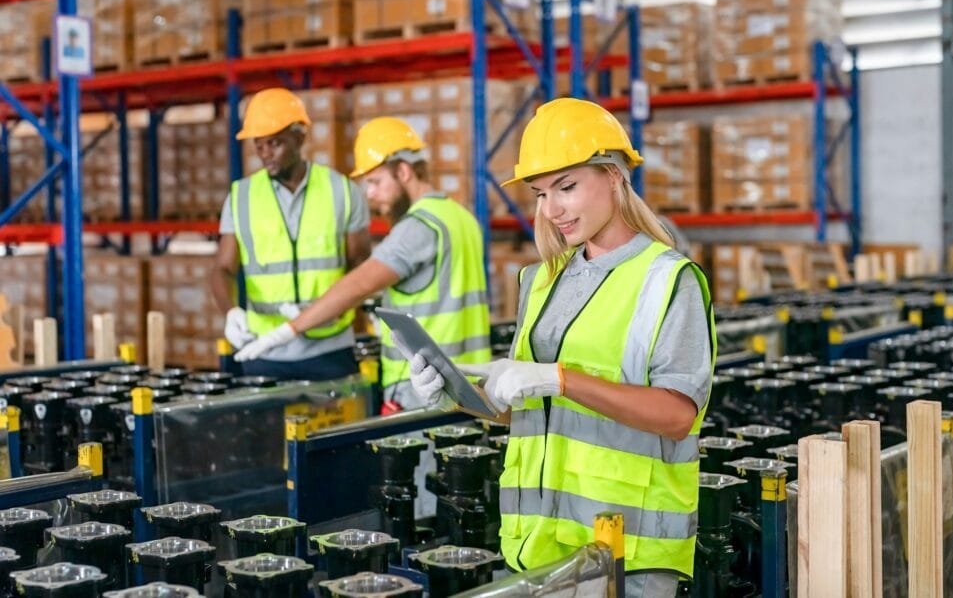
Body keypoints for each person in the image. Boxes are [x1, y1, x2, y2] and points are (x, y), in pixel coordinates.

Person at [404, 98, 716, 596]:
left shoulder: (667, 280)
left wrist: (560, 378)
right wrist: (458, 395)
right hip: (536, 549)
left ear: (614, 176)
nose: (553, 210)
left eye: (567, 187)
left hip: (624, 552)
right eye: (541, 193)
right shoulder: (542, 280)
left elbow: (679, 415)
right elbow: (532, 411)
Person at [233, 116, 491, 409]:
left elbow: (358, 285)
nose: (369, 195)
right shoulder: (461, 217)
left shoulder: (417, 227)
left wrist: (289, 330)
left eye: (375, 182)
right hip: (470, 383)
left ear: (404, 172)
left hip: (425, 387)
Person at [211, 87, 372, 380]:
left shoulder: (343, 191)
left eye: (275, 144)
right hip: (264, 349)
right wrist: (231, 312)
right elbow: (223, 268)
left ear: (300, 137)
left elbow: (360, 265)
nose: (265, 154)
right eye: (259, 146)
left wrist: (331, 308)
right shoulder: (241, 197)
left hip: (330, 347)